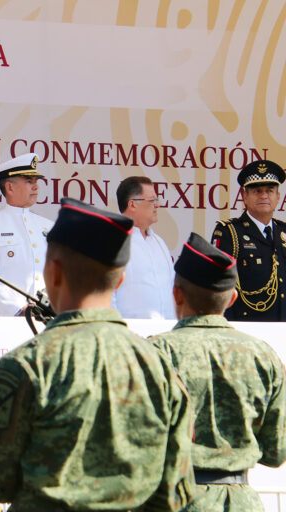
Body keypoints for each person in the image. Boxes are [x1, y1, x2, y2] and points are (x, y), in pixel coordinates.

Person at [0, 198, 194, 511]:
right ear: (121, 278)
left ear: (54, 273)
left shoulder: (26, 365)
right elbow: (176, 492)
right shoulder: (159, 365)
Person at [151, 232, 286, 512]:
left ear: (176, 293)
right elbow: (277, 452)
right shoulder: (264, 356)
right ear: (232, 298)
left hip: (175, 500)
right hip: (242, 502)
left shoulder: (155, 353)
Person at [0, 153, 52, 316]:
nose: (36, 187)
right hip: (5, 319)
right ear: (10, 187)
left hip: (44, 318)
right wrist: (17, 309)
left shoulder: (48, 226)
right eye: (29, 182)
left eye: (36, 182)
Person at [210, 159, 286, 321]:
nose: (264, 196)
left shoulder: (283, 231)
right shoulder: (229, 232)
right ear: (245, 196)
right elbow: (218, 286)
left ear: (278, 197)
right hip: (247, 327)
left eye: (270, 190)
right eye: (257, 191)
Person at [113, 176, 175, 319]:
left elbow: (171, 288)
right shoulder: (114, 241)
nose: (157, 205)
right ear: (133, 204)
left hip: (163, 334)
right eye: (152, 200)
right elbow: (107, 295)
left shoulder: (159, 243)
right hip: (130, 335)